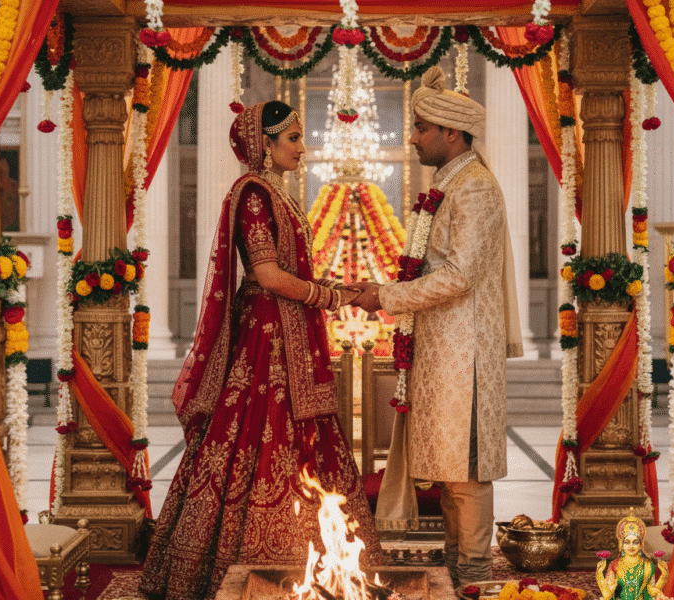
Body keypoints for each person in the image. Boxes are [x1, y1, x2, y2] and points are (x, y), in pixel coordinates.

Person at [139, 101, 383, 600]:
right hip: (267, 339)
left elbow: (288, 272)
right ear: (264, 145)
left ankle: (325, 560)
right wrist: (330, 297)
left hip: (293, 328)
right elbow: (268, 276)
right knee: (260, 433)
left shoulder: (279, 194)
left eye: (299, 136)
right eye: (292, 138)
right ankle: (254, 567)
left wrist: (336, 286)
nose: (302, 146)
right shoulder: (253, 193)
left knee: (305, 437)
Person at [351, 66, 523, 588]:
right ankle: (454, 575)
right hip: (442, 348)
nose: (413, 136)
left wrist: (384, 295)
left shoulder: (473, 190)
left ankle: (472, 577)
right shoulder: (449, 185)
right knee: (450, 474)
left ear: (452, 133)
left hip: (463, 354)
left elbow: (460, 276)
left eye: (422, 127)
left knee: (465, 473)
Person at [596, 508, 671, 600]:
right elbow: (607, 596)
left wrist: (664, 575)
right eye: (627, 542)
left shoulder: (647, 564)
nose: (631, 546)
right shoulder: (614, 565)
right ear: (621, 545)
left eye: (635, 542)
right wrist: (599, 575)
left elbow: (651, 592)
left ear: (640, 545)